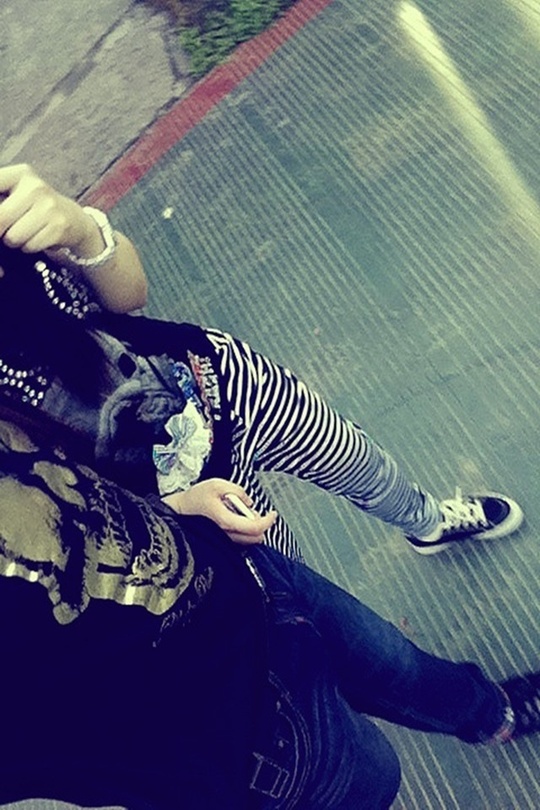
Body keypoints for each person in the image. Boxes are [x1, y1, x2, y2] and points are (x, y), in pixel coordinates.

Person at [0, 402, 538, 810]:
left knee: (399, 664)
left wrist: (166, 510)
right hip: (234, 736)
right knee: (373, 777)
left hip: (244, 577)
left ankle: (494, 715)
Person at [0, 163, 524, 562]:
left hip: (221, 380)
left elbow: (129, 295)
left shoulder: (9, 218)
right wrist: (170, 516)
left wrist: (81, 229)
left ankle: (427, 523)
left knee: (359, 460)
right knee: (300, 591)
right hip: (182, 501)